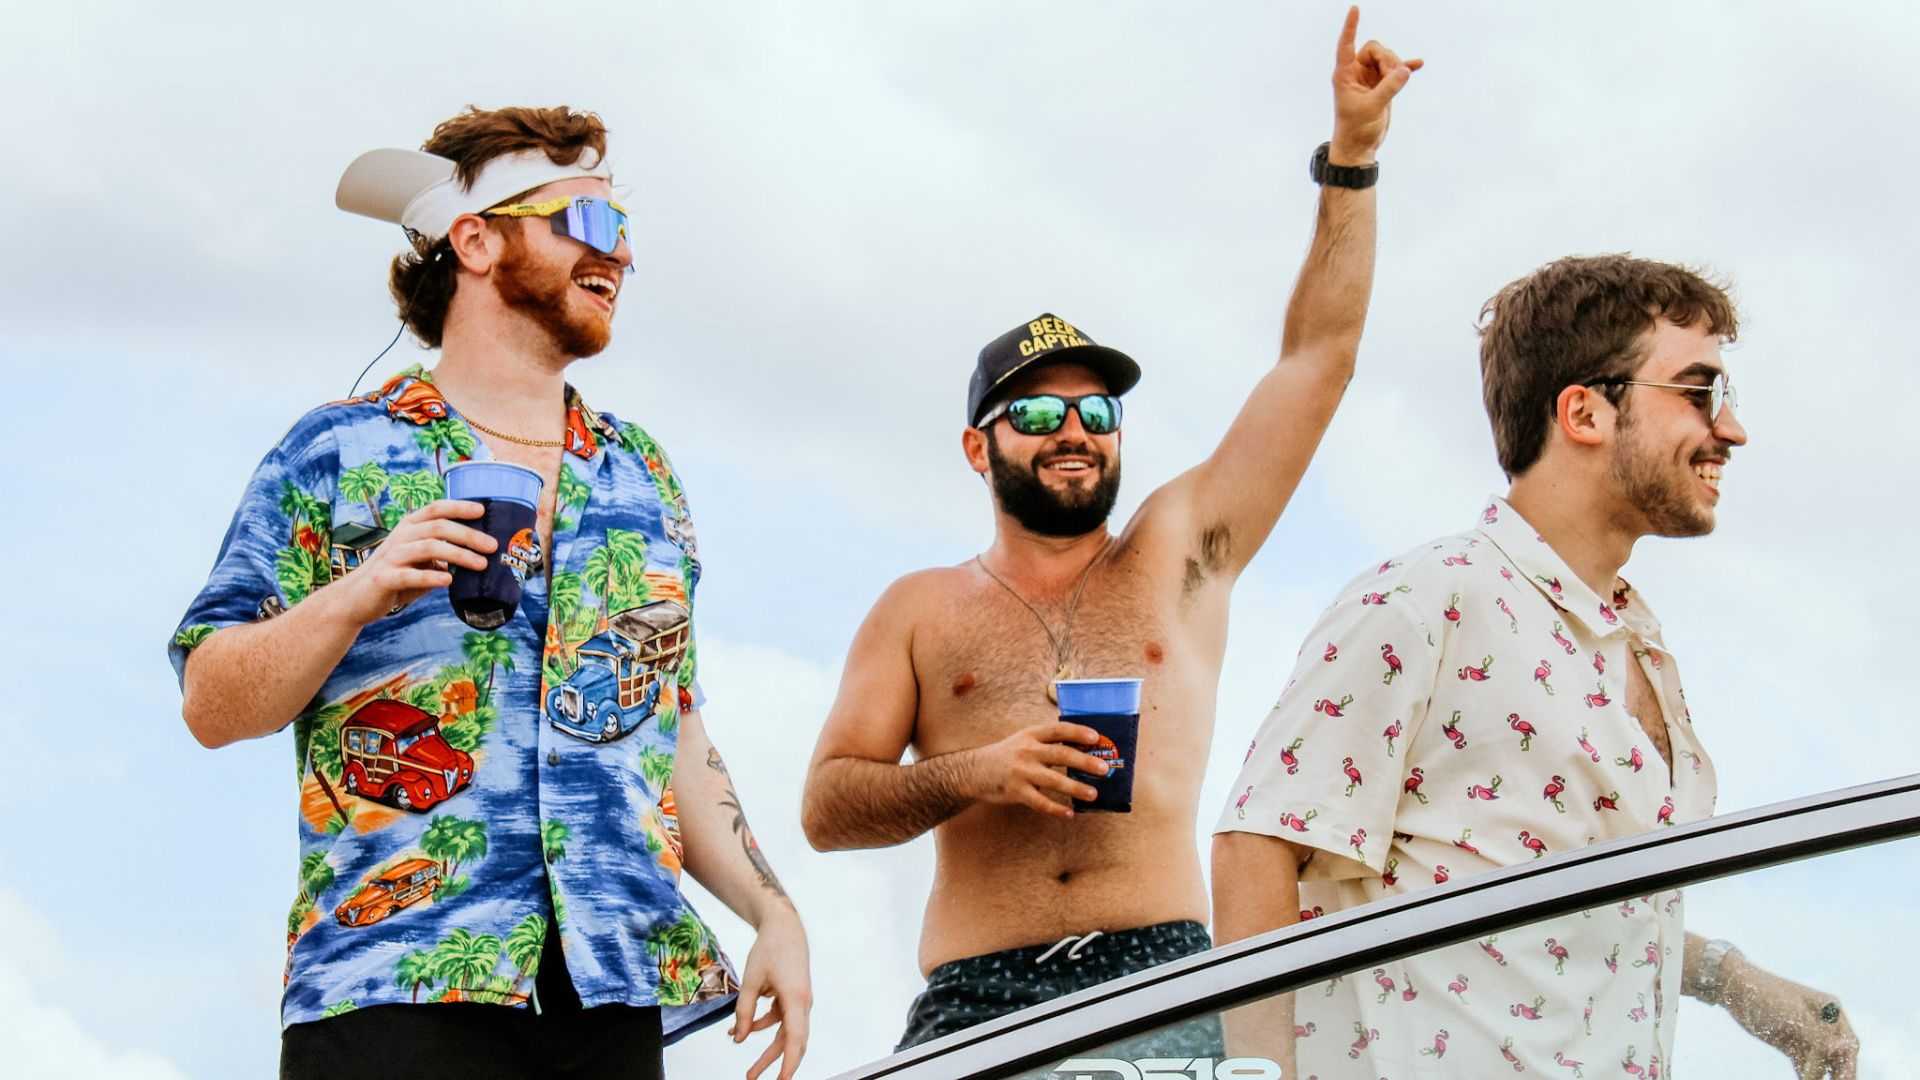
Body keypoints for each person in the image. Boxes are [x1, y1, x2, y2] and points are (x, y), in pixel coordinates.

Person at [799, 9, 1419, 1055]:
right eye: (1037, 414)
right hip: (974, 1000)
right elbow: (827, 807)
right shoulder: (919, 609)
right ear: (977, 446)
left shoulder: (1179, 550)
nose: (1074, 431)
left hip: (1158, 982)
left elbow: (1317, 360)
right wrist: (976, 772)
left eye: (1097, 411)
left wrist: (1351, 159)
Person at [170, 105, 810, 1080]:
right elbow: (212, 702)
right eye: (590, 225)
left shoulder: (642, 477)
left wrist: (774, 912)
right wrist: (362, 593)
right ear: (474, 239)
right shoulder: (339, 452)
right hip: (394, 983)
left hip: (609, 991)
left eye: (625, 234)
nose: (621, 258)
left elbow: (672, 725)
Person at [1212, 254, 1860, 1077]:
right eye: (1699, 393)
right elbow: (1257, 846)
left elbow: (1549, 895)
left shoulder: (1640, 644)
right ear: (1585, 412)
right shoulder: (1429, 599)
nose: (1729, 430)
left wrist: (1731, 981)